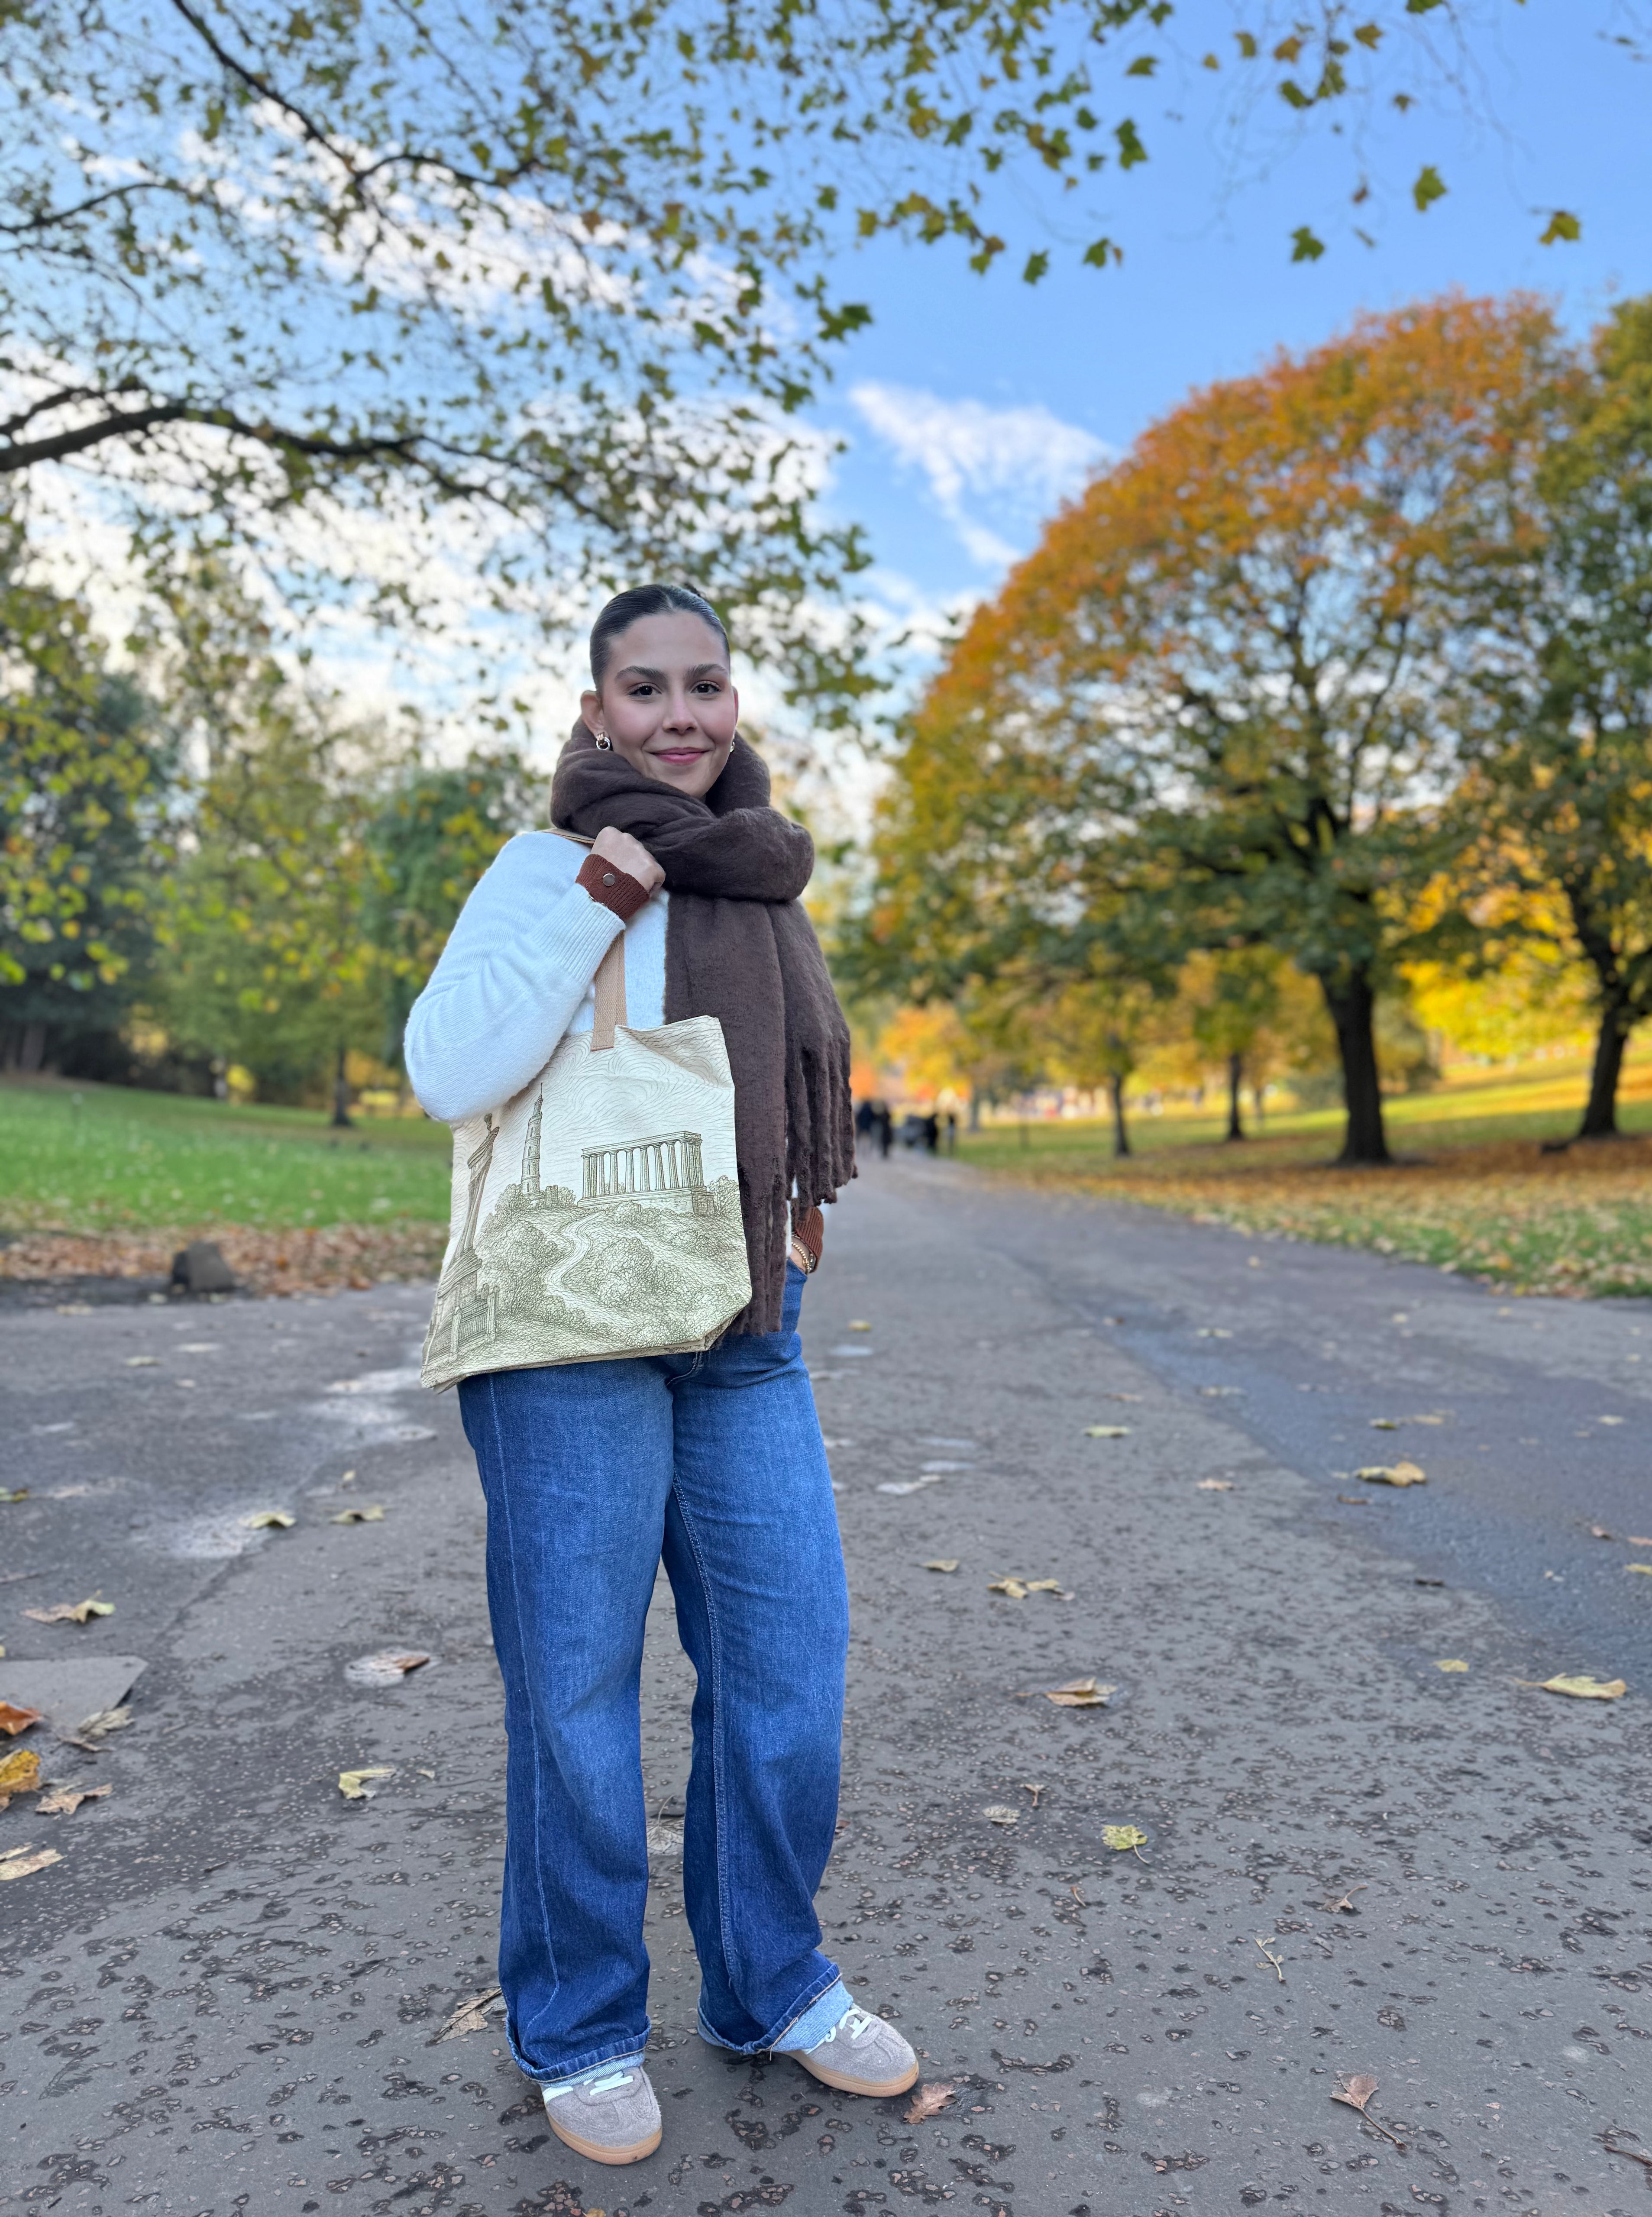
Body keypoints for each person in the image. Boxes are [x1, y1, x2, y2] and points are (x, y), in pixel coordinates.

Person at [404, 584, 915, 2169]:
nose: (680, 715)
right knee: (575, 1700)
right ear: (594, 710)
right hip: (570, 1339)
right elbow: (448, 1070)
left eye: (705, 686)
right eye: (646, 689)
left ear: (736, 705)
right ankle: (581, 2022)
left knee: (787, 1677)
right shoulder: (543, 866)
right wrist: (596, 897)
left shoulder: (770, 885)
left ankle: (771, 1985)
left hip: (746, 1337)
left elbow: (790, 1097)